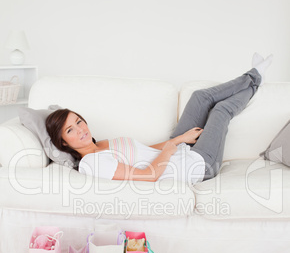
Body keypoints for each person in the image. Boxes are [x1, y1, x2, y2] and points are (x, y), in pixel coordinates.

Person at [46, 53, 273, 185]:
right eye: (70, 131)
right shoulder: (91, 163)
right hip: (195, 167)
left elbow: (146, 151)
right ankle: (255, 77)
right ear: (63, 143)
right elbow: (149, 175)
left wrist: (179, 139)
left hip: (180, 151)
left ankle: (253, 78)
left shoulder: (101, 144)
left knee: (200, 97)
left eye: (78, 121)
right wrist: (172, 148)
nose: (80, 129)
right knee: (221, 110)